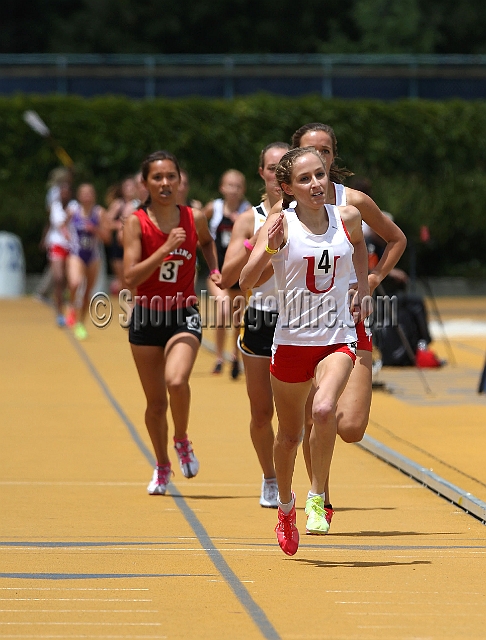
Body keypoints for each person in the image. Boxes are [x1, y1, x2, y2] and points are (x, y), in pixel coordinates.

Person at [240, 147, 369, 555]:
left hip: (337, 336)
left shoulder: (347, 217)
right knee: (289, 435)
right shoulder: (281, 225)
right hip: (292, 340)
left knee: (325, 410)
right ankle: (285, 506)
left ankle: (317, 497)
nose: (316, 184)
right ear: (288, 187)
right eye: (306, 179)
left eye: (320, 175)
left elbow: (361, 247)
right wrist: (272, 249)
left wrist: (362, 287)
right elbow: (246, 281)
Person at [289, 123, 407, 525]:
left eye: (325, 151)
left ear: (333, 157)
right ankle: (318, 494)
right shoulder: (285, 210)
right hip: (301, 326)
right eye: (309, 151)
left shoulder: (352, 202)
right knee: (313, 413)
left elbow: (396, 239)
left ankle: (317, 486)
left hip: (348, 321)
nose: (318, 158)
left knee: (351, 426)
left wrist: (372, 279)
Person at [123, 150, 222, 496]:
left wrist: (214, 270)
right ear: (145, 183)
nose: (165, 183)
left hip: (183, 312)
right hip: (147, 315)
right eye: (157, 177)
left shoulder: (193, 217)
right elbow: (129, 276)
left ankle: (182, 439)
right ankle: (162, 465)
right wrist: (165, 249)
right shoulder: (136, 222)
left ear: (180, 181)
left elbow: (208, 244)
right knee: (155, 404)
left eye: (171, 177)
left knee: (177, 381)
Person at [220, 142, 289, 508]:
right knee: (263, 412)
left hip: (304, 317)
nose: (278, 175)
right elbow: (229, 276)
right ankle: (270, 477)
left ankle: (312, 488)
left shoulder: (316, 213)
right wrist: (259, 243)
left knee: (305, 412)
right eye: (271, 167)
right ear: (261, 173)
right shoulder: (250, 218)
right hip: (262, 318)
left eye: (284, 167)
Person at [203, 169, 250, 378]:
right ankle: (219, 357)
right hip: (218, 273)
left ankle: (235, 357)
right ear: (222, 187)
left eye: (237, 186)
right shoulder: (214, 208)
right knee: (223, 309)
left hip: (239, 276)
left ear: (243, 189)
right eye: (229, 185)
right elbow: (199, 231)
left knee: (238, 319)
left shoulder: (247, 211)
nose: (233, 190)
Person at [65, 183, 108, 340]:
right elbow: (62, 226)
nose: (87, 196)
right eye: (84, 193)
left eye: (90, 193)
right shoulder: (73, 211)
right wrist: (67, 237)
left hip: (93, 256)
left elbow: (107, 237)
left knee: (87, 292)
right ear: (79, 196)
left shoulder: (100, 212)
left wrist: (95, 230)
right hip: (76, 254)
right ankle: (70, 306)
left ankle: (80, 323)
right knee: (75, 283)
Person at [44, 182, 73, 326]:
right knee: (58, 278)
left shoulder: (75, 206)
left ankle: (67, 309)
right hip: (57, 244)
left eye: (67, 192)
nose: (64, 194)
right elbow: (60, 223)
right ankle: (59, 312)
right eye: (62, 192)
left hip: (72, 246)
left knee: (68, 281)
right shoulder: (55, 207)